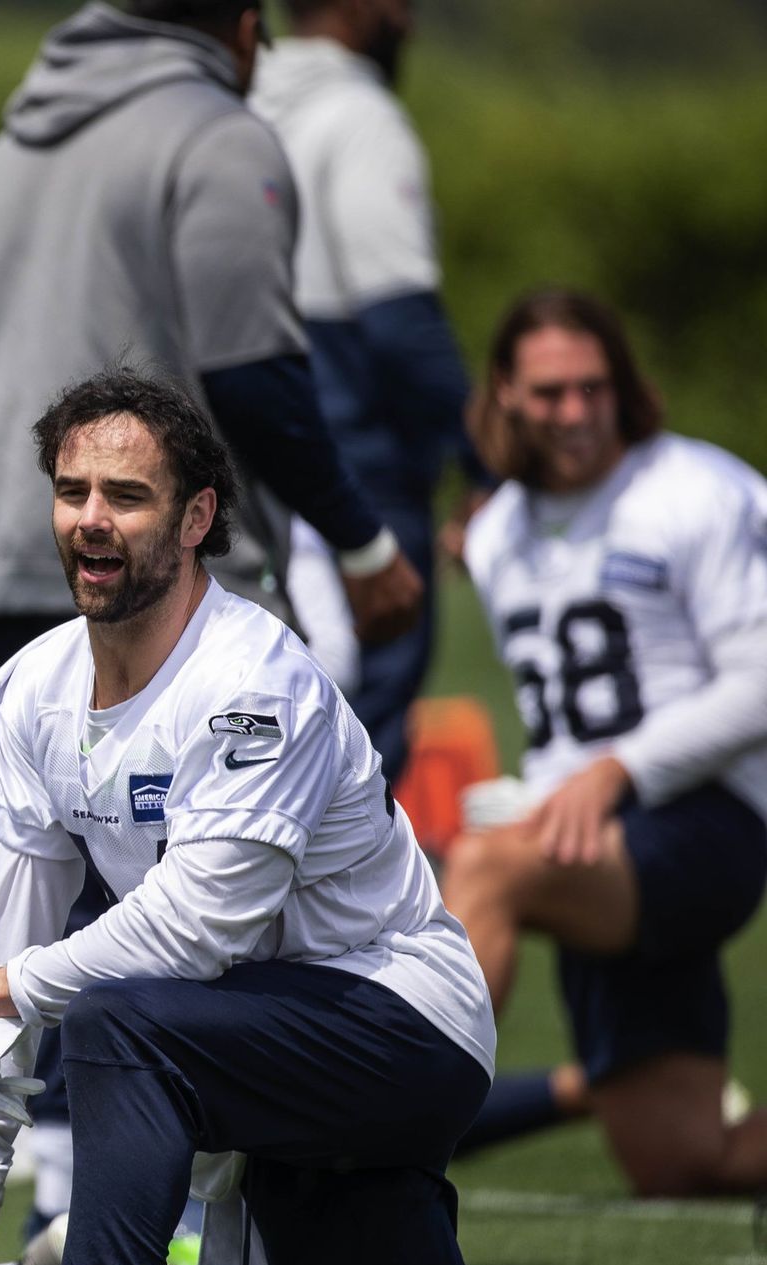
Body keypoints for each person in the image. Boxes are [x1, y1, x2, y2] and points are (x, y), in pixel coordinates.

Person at [0, 366, 750, 1265]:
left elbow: (201, 925)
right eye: (73, 493)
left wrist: (26, 985)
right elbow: (2, 915)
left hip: (398, 1021)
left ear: (197, 515)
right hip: (265, 1041)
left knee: (119, 1023)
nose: (92, 520)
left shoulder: (253, 679)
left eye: (127, 495)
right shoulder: (31, 686)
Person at [0, 0, 422, 1174]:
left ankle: (29, 1166)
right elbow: (253, 371)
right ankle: (176, 1230)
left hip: (6, 555)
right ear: (241, 26)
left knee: (44, 869)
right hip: (181, 576)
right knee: (209, 911)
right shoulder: (219, 136)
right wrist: (359, 539)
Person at [441, 289, 767, 1196]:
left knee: (486, 869)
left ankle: (384, 1128)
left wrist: (612, 773)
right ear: (505, 392)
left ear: (623, 383)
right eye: (550, 393)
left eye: (594, 387)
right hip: (592, 841)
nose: (576, 413)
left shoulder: (698, 490)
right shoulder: (502, 526)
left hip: (703, 823)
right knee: (687, 1162)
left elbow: (760, 680)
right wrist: (556, 787)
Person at [249, 0, 493, 781]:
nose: (411, 22)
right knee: (360, 756)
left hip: (249, 464)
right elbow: (399, 321)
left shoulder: (237, 108)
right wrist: (487, 459)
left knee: (256, 742)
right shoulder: (359, 116)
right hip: (358, 474)